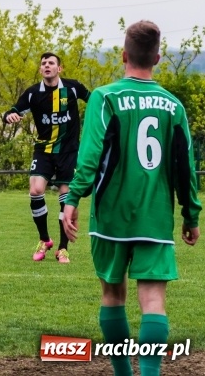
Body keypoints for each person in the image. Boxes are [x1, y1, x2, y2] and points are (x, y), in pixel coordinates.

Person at [63, 20, 201, 376]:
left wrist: (73, 198)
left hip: (111, 215)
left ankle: (124, 373)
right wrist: (190, 215)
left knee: (112, 295)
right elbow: (186, 165)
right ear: (157, 57)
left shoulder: (105, 97)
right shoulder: (174, 107)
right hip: (154, 218)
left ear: (124, 55)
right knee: (153, 299)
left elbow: (90, 154)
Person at [3, 52, 90, 263]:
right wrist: (9, 116)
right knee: (35, 190)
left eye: (51, 63)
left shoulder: (72, 87)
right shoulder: (33, 93)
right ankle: (44, 239)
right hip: (44, 150)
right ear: (41, 69)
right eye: (43, 63)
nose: (47, 66)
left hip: (69, 151)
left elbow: (94, 100)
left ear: (59, 68)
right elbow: (12, 110)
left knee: (65, 197)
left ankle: (62, 248)